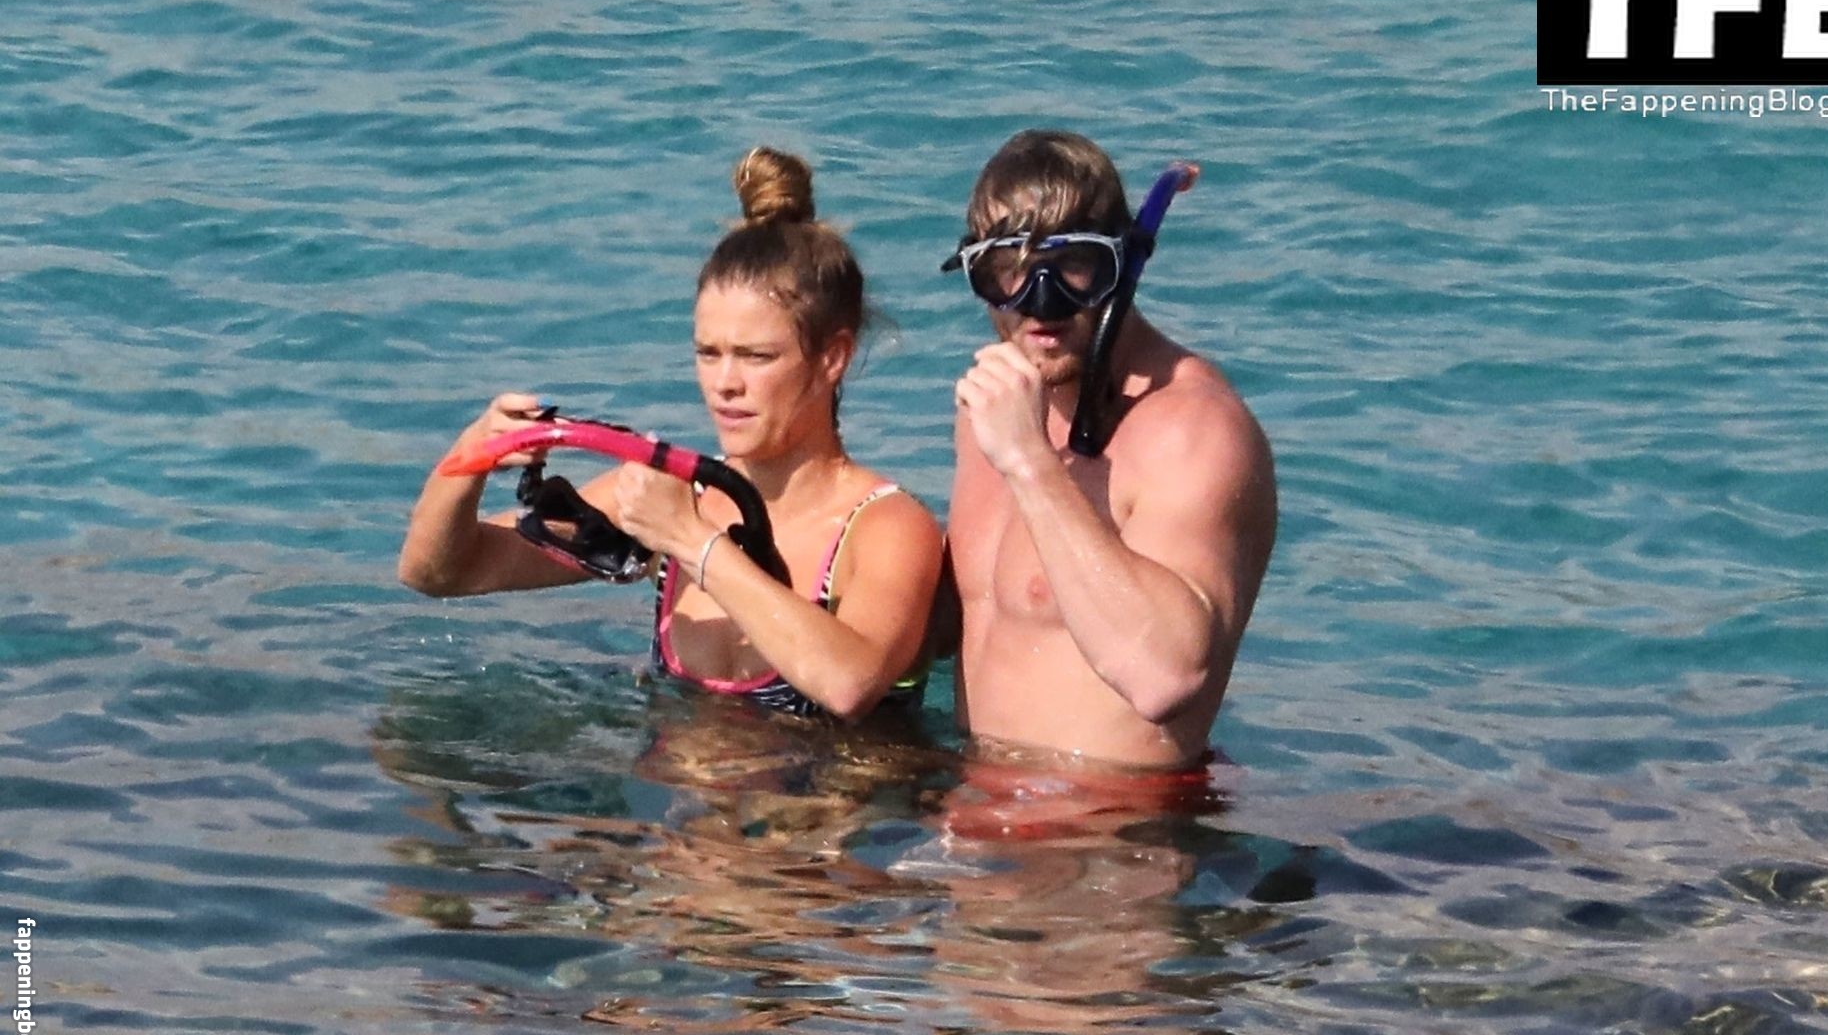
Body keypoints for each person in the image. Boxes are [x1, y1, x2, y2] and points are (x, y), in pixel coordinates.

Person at [399, 147, 944, 722]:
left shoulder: (887, 527)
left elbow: (848, 683)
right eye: (708, 353)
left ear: (833, 358)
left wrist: (690, 539)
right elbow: (438, 572)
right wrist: (470, 460)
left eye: (756, 357)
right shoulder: (673, 498)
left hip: (833, 780)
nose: (724, 384)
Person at [943, 129, 1277, 770]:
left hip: (1113, 820)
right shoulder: (995, 408)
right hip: (970, 797)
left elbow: (1166, 679)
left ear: (1121, 263)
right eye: (1007, 268)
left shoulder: (1191, 430)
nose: (1040, 301)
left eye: (1073, 264)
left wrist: (1030, 463)